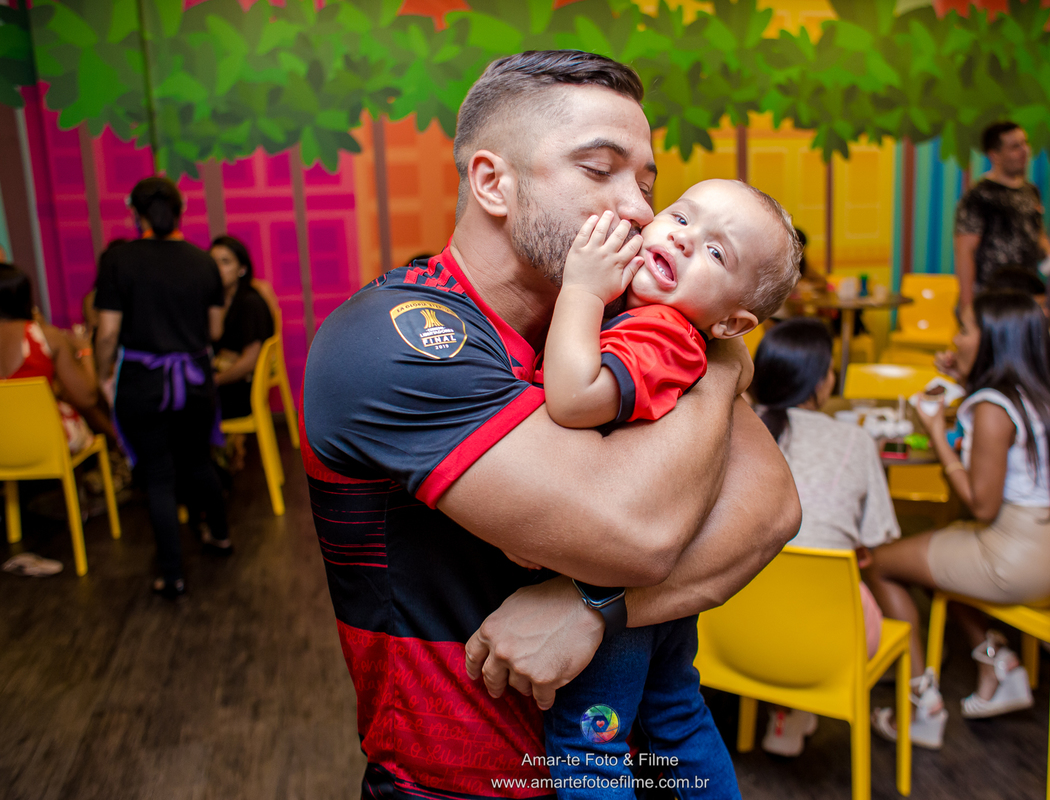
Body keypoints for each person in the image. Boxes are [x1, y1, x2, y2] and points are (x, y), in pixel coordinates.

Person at [301, 51, 801, 799]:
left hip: (620, 761)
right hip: (460, 784)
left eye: (646, 182)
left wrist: (593, 607)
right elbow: (638, 531)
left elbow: (771, 510)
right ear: (493, 183)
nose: (638, 211)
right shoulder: (395, 339)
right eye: (600, 170)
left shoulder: (620, 323)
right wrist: (723, 366)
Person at [528, 182, 798, 791]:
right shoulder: (669, 324)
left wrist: (580, 288)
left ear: (732, 321)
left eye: (716, 253)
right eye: (680, 215)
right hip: (655, 578)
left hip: (612, 572)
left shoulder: (660, 333)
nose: (681, 236)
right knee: (673, 715)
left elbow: (573, 399)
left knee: (590, 744)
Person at [867, 291, 1050, 750]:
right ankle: (998, 662)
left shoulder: (992, 407)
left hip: (1015, 558)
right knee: (939, 551)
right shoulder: (1047, 391)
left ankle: (921, 706)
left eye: (966, 329)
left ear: (993, 340)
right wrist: (965, 379)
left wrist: (935, 430)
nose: (955, 338)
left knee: (877, 562)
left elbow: (981, 505)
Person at [750, 317, 893, 757]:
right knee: (859, 583)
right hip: (831, 639)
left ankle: (784, 710)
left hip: (737, 631)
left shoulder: (738, 430)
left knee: (774, 581)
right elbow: (875, 539)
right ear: (818, 381)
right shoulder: (856, 440)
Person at [93, 177, 232, 598]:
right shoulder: (201, 261)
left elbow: (106, 333)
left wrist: (104, 376)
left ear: (135, 213)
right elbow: (214, 329)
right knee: (196, 461)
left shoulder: (120, 261)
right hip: (193, 380)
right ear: (181, 210)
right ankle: (221, 534)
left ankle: (172, 573)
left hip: (142, 382)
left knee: (157, 476)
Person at [1, 263, 98, 578]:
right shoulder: (47, 337)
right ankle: (81, 501)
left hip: (3, 447)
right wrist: (84, 352)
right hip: (48, 445)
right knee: (77, 414)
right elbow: (87, 396)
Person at [954, 121, 1050, 310]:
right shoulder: (979, 195)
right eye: (1015, 147)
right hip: (992, 300)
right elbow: (964, 251)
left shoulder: (1030, 191)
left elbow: (1037, 233)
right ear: (994, 155)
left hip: (1026, 296)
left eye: (1025, 143)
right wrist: (967, 305)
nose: (1024, 151)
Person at [210, 236, 274, 417]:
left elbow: (250, 361)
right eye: (213, 262)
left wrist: (215, 381)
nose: (218, 269)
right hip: (228, 379)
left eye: (225, 262)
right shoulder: (216, 302)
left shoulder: (250, 302)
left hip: (241, 390)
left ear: (242, 269)